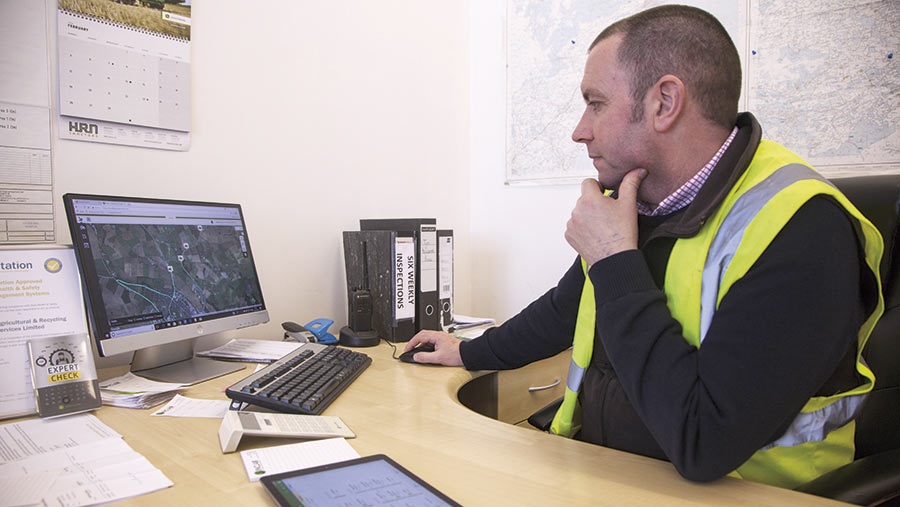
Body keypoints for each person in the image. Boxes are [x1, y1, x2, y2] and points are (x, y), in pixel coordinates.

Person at [404, 5, 884, 489]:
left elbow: (705, 443)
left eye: (596, 103)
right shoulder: (641, 201)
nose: (579, 130)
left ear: (664, 102)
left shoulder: (802, 230)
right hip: (613, 474)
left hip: (751, 494)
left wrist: (615, 259)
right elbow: (567, 308)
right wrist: (468, 353)